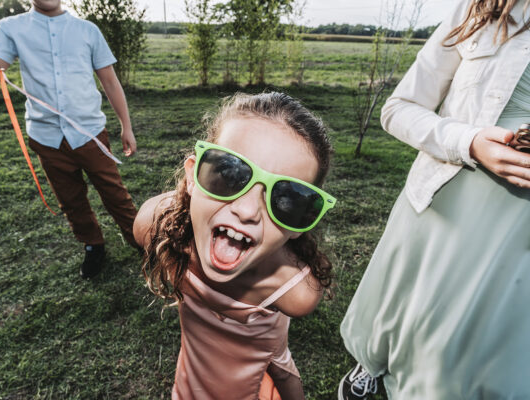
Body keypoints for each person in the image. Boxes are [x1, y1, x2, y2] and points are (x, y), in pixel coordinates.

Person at [338, 0, 530, 399]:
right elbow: (398, 109)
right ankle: (370, 368)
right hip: (447, 196)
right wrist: (471, 142)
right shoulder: (480, 9)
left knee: (485, 339)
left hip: (517, 227)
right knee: (407, 311)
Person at [133, 92, 337, 399]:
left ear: (302, 223)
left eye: (287, 200)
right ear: (193, 175)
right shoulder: (152, 224)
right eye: (229, 174)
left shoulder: (296, 292)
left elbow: (281, 365)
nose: (247, 210)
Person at [0, 0, 140, 279]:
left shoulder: (87, 30)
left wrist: (126, 126)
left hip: (90, 134)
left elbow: (110, 81)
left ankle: (140, 240)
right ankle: (93, 244)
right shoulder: (11, 28)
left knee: (114, 192)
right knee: (71, 199)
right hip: (46, 138)